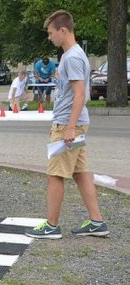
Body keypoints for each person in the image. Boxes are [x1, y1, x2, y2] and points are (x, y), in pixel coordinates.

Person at [25, 10, 109, 239]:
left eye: (51, 33)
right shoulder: (75, 54)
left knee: (55, 174)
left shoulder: (71, 57)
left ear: (63, 30)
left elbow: (80, 94)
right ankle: (97, 222)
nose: (49, 37)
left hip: (69, 126)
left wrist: (69, 127)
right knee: (81, 173)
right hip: (73, 123)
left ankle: (52, 226)